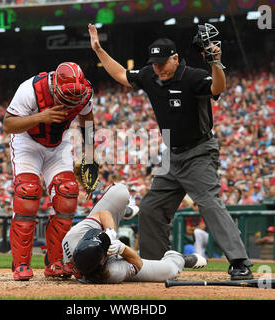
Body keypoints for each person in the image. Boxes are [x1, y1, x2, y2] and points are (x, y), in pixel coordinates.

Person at [88, 23, 253, 280]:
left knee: (208, 203)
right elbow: (122, 75)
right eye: (154, 63)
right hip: (172, 155)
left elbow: (217, 89)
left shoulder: (193, 76)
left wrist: (216, 64)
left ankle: (240, 262)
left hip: (199, 152)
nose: (158, 68)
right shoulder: (150, 75)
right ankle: (155, 265)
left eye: (163, 62)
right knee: (152, 208)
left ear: (175, 59)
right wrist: (98, 49)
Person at [3, 62, 95, 281]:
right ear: (55, 86)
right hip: (27, 141)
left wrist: (90, 155)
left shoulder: (84, 91)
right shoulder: (30, 89)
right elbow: (8, 125)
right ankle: (21, 263)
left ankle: (56, 261)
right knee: (28, 193)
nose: (71, 103)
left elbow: (87, 118)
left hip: (58, 143)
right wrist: (40, 117)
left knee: (68, 194)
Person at [62, 183, 207, 284]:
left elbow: (103, 213)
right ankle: (178, 258)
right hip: (117, 262)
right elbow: (138, 263)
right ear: (103, 259)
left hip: (93, 253)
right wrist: (123, 249)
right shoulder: (111, 273)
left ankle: (121, 211)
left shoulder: (72, 238)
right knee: (167, 271)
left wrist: (110, 233)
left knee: (120, 192)